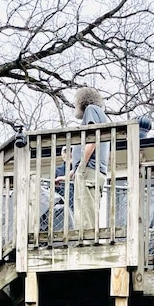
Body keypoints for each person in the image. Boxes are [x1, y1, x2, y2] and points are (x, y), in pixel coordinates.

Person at [69, 87, 110, 233]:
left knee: (86, 215)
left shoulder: (91, 109)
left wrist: (81, 167)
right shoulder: (98, 112)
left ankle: (87, 244)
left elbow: (92, 139)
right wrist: (71, 173)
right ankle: (86, 241)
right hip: (90, 171)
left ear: (82, 101)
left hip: (89, 171)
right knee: (85, 210)